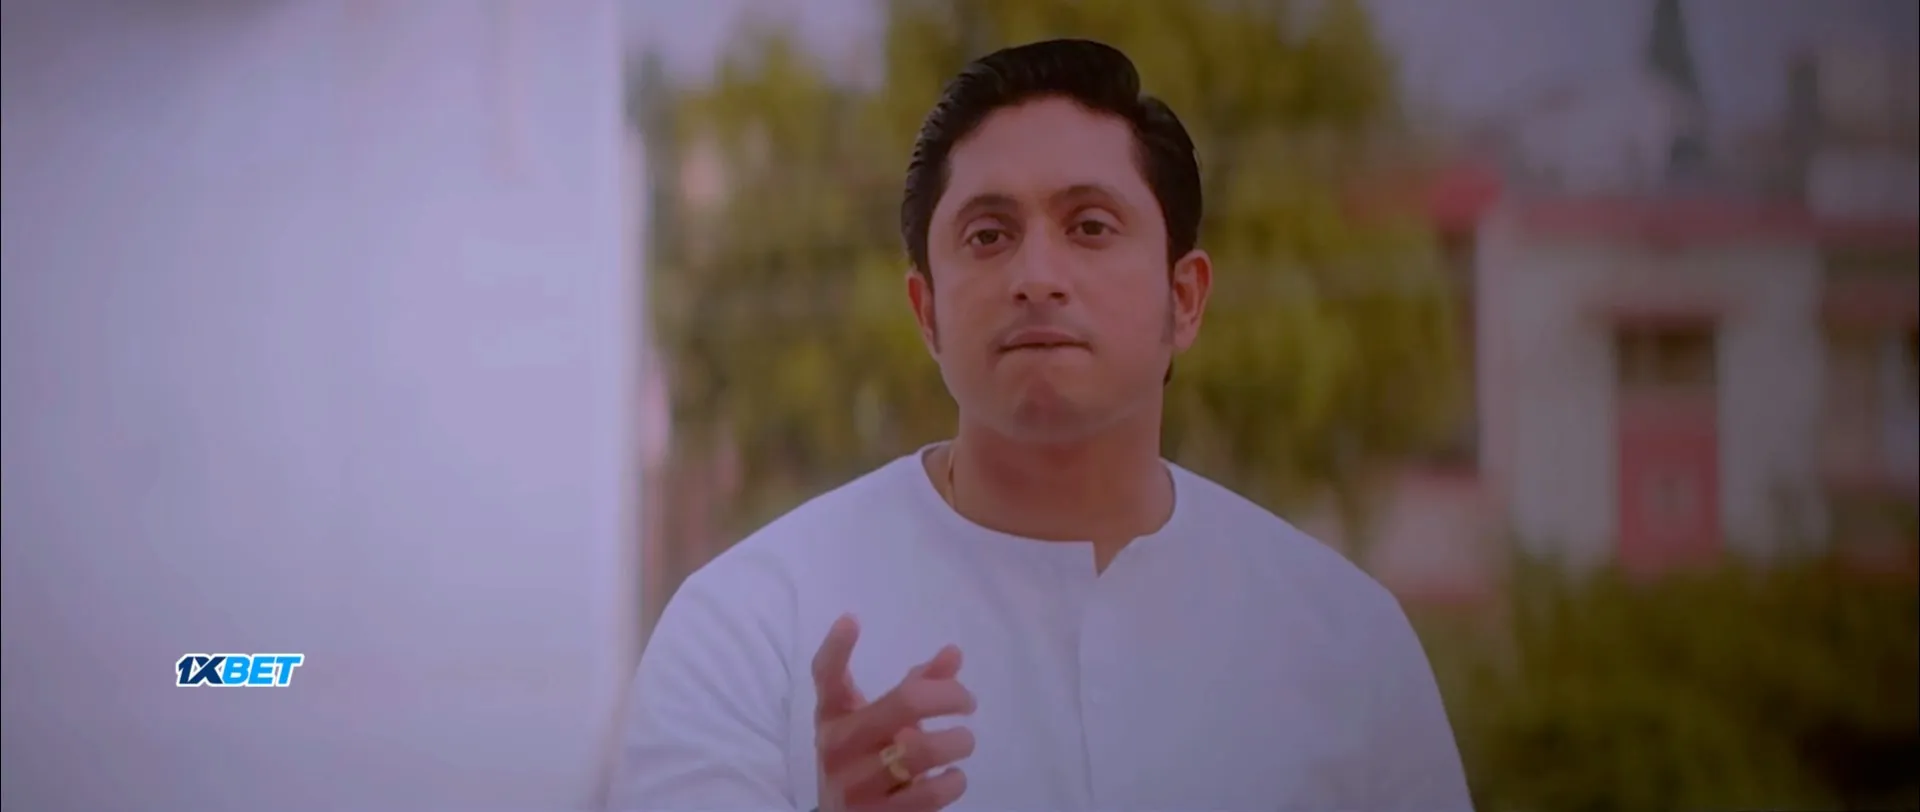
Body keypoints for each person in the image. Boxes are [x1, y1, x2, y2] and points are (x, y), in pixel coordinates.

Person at [607, 38, 1473, 812]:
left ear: (1184, 298)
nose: (1037, 275)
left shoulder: (1348, 647)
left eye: (1090, 226)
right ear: (927, 313)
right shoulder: (749, 630)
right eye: (989, 236)